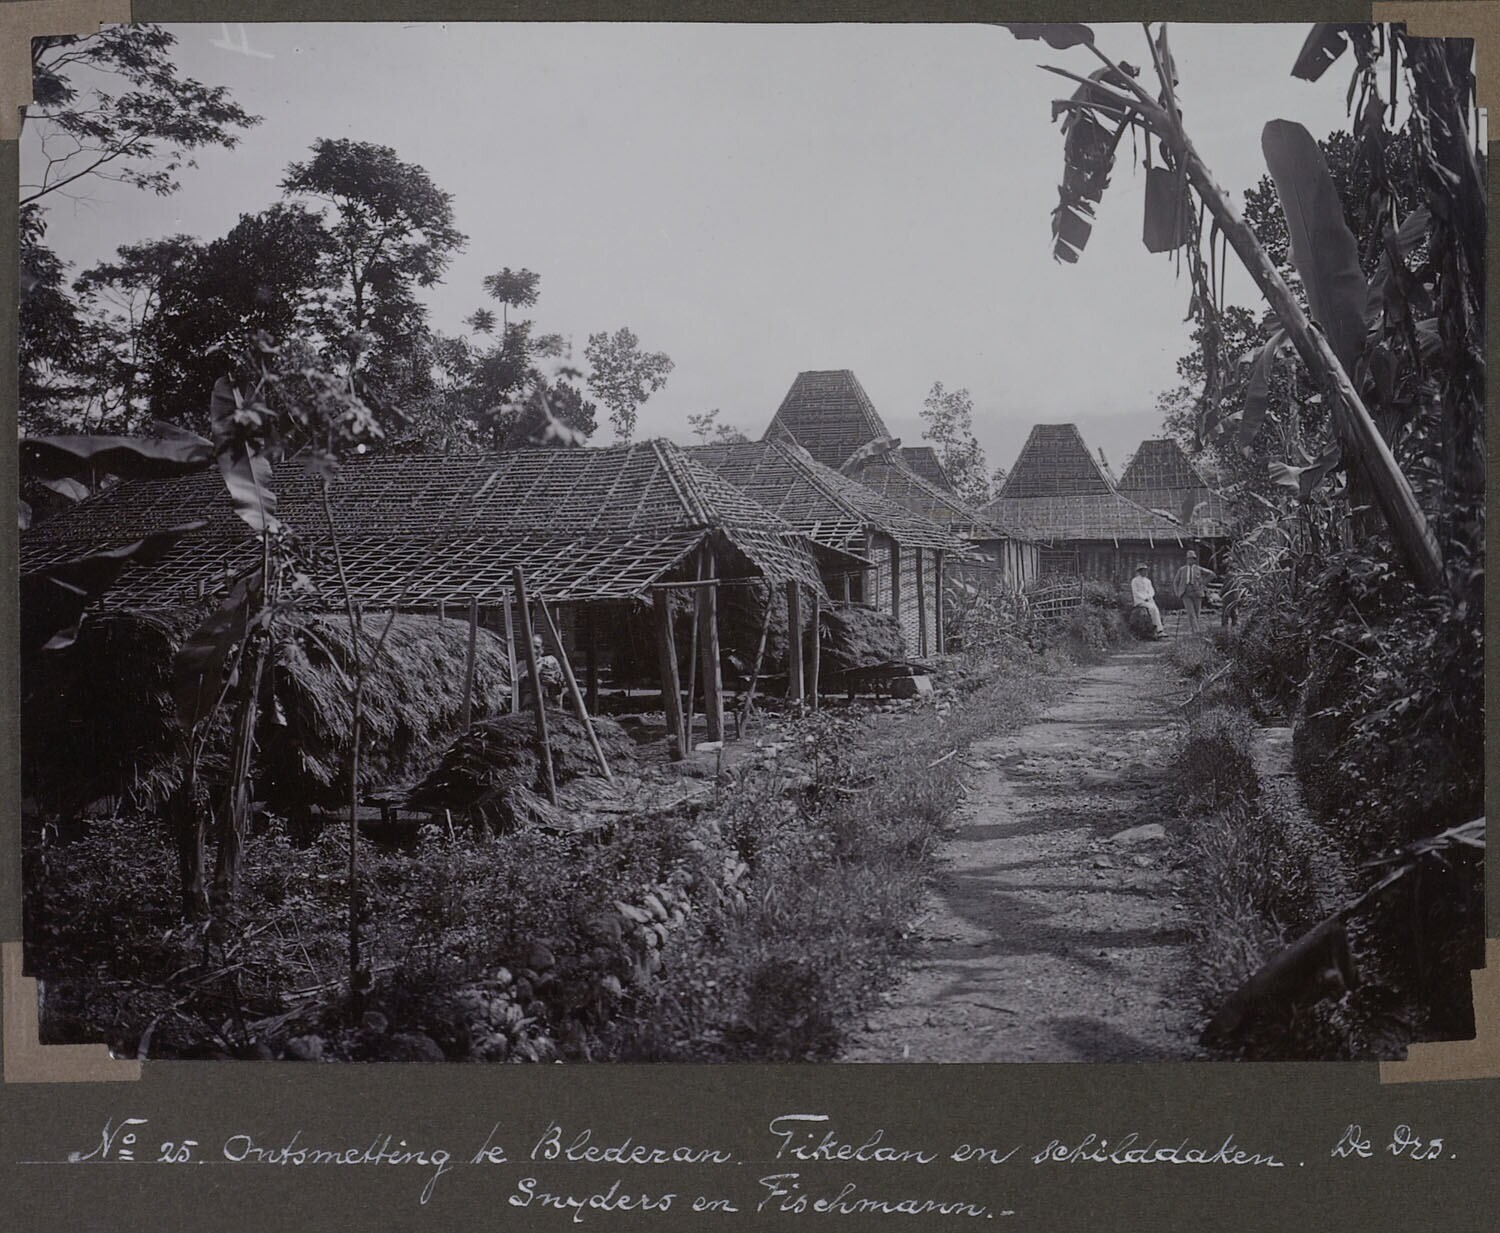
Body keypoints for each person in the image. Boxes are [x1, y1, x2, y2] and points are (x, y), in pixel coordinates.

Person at [1173, 550, 1217, 635]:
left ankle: (1194, 631)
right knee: (1191, 613)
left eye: (1192, 559)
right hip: (1186, 593)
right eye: (1189, 558)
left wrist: (1203, 583)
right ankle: (1196, 632)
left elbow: (1212, 574)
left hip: (1197, 592)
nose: (1190, 560)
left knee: (1196, 613)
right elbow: (1175, 582)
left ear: (1194, 560)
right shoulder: (1182, 569)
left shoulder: (1199, 569)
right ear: (1187, 559)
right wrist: (1177, 592)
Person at [518, 633, 565, 708]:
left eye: (536, 647)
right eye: (530, 647)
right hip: (526, 706)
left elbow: (562, 684)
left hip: (548, 706)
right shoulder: (520, 665)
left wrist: (554, 683)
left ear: (542, 649)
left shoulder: (549, 661)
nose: (533, 650)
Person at [1130, 564, 1166, 639]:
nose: (1145, 572)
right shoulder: (1135, 581)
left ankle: (1159, 630)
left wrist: (1149, 596)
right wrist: (1144, 598)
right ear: (1139, 571)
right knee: (1152, 608)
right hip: (1139, 600)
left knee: (1155, 609)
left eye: (1145, 570)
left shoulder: (1148, 581)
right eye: (1143, 570)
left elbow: (1152, 591)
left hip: (1148, 599)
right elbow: (1135, 592)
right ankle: (1157, 630)